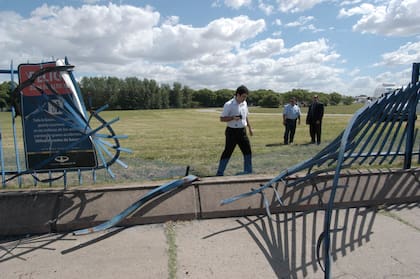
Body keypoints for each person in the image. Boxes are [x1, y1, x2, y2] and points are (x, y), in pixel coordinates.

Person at [216, 85, 253, 176]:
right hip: (232, 132)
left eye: (246, 97)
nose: (244, 98)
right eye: (243, 96)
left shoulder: (244, 103)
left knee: (247, 151)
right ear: (237, 95)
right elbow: (222, 119)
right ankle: (220, 172)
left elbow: (246, 116)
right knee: (228, 152)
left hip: (242, 131)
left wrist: (249, 128)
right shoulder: (228, 104)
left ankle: (248, 171)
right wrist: (232, 118)